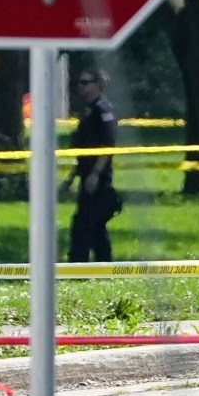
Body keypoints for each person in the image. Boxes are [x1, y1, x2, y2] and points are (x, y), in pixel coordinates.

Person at [60, 68, 121, 264]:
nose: (81, 87)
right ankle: (101, 265)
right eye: (79, 83)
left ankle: (79, 264)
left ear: (98, 85)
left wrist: (95, 174)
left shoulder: (103, 111)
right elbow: (83, 152)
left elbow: (107, 146)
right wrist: (71, 178)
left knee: (85, 224)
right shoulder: (87, 111)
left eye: (86, 83)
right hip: (86, 175)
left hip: (99, 178)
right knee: (93, 226)